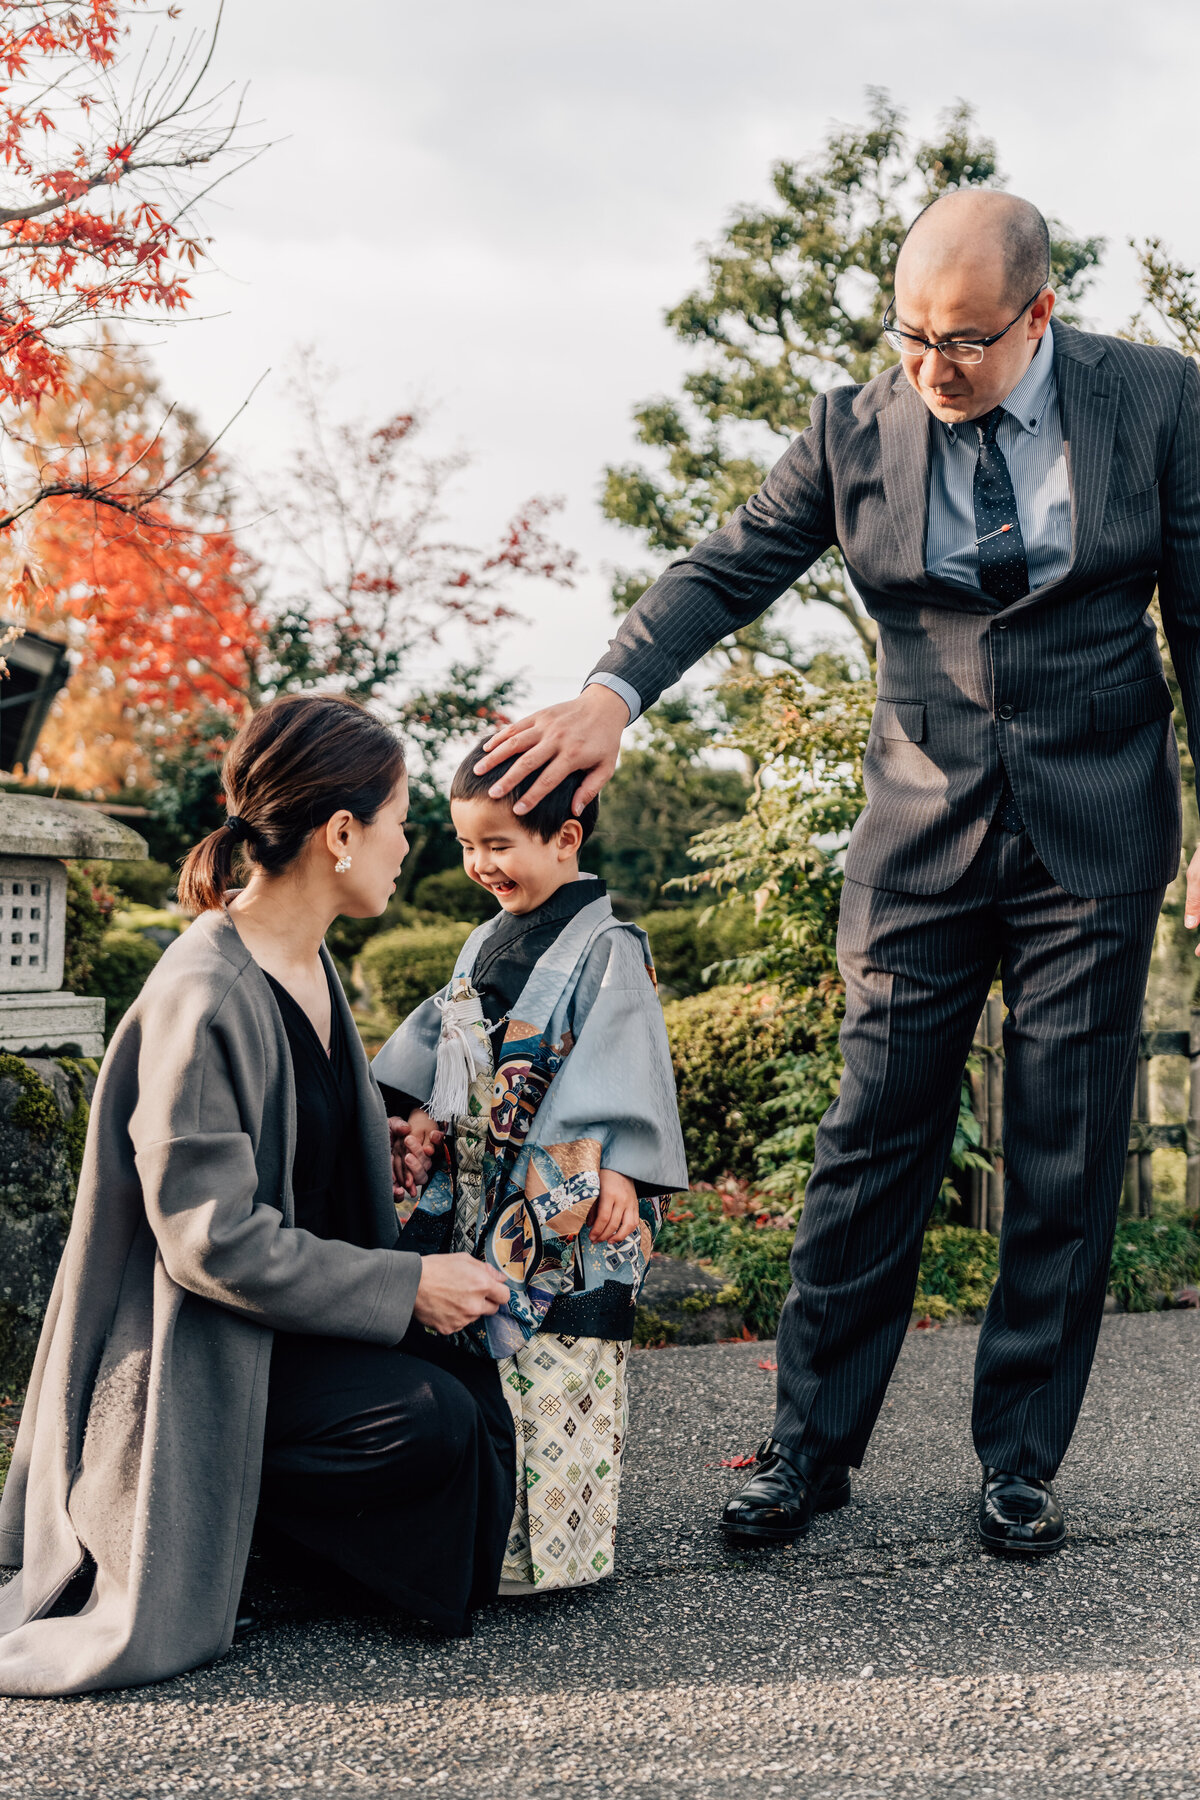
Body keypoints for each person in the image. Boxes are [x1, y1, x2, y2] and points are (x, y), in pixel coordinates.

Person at [473, 188, 1200, 1559]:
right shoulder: (852, 426)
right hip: (921, 838)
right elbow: (728, 567)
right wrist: (614, 693)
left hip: (1095, 836)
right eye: (910, 333)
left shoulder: (1157, 403)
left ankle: (1021, 1461)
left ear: (1040, 314)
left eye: (967, 341)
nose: (931, 366)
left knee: (1063, 1155)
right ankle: (809, 1450)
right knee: (871, 1147)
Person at [0, 694, 514, 1698]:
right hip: (197, 1353)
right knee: (424, 1419)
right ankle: (195, 1526)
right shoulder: (210, 987)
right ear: (339, 834)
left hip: (284, 1334)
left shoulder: (308, 962)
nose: (410, 844)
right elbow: (211, 1242)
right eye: (402, 819)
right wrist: (404, 1282)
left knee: (471, 1382)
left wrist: (386, 1153)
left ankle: (283, 1545)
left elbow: (305, 1153)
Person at [373, 740, 687, 1592]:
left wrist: (621, 1166)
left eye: (499, 844)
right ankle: (486, 1541)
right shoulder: (483, 943)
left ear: (566, 839)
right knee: (482, 1357)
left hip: (572, 1199)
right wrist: (424, 1119)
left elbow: (627, 1059)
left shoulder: (609, 947)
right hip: (486, 1189)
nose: (480, 864)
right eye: (469, 845)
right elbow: (445, 1050)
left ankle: (555, 1557)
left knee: (557, 1361)